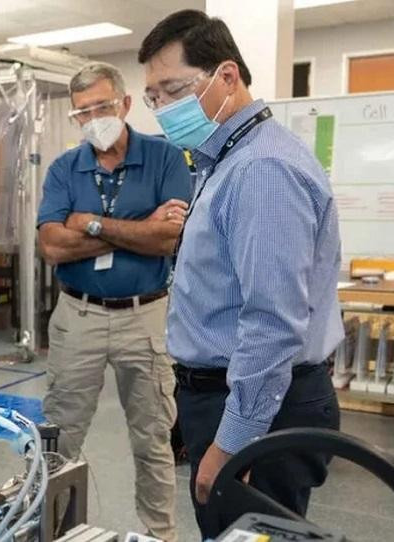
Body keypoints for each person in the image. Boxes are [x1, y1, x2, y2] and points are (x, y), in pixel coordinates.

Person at [139, 10, 343, 537]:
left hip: (262, 408)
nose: (162, 109)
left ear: (226, 76)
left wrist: (233, 441)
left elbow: (272, 324)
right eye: (153, 98)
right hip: (232, 396)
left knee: (251, 535)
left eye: (172, 91)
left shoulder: (261, 169)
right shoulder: (225, 159)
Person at [36, 61, 191, 542]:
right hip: (78, 314)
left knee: (153, 439)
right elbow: (52, 246)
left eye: (102, 106)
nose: (94, 118)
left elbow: (169, 238)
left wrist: (93, 223)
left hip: (145, 316)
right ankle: (53, 529)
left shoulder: (165, 158)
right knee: (61, 436)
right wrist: (138, 229)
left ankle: (159, 534)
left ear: (124, 104)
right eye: (82, 112)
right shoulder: (65, 168)